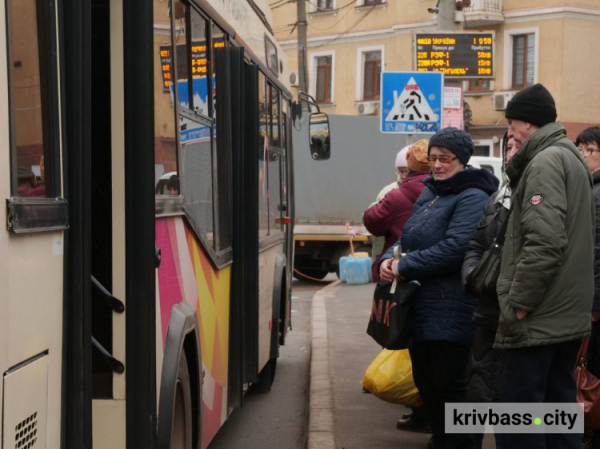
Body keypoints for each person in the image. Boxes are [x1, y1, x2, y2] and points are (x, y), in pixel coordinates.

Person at [380, 127, 499, 449]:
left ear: (462, 161)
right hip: (421, 306)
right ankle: (441, 440)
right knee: (427, 384)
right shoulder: (430, 191)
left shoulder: (473, 196)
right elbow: (408, 235)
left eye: (445, 159)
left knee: (451, 388)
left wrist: (404, 265)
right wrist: (388, 259)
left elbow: (456, 248)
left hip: (453, 306)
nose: (437, 165)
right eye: (433, 159)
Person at [495, 84, 594, 449]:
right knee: (556, 408)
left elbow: (545, 241)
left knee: (521, 413)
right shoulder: (570, 155)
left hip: (540, 312)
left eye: (512, 121)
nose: (509, 130)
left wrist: (519, 303)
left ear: (526, 121)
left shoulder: (545, 161)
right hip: (565, 311)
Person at [363, 140, 431, 433]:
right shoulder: (452, 192)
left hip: (401, 277)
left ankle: (421, 411)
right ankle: (427, 414)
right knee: (430, 353)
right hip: (435, 281)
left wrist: (391, 263)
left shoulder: (399, 194)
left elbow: (372, 221)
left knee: (404, 338)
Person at [461, 135, 520, 449]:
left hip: (519, 316)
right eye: (508, 147)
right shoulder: (499, 196)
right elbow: (474, 244)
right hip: (486, 312)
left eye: (518, 147)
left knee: (514, 402)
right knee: (478, 386)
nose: (511, 153)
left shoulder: (540, 195)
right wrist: (473, 274)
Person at [364, 140, 429, 283]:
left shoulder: (395, 195)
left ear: (411, 167)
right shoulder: (451, 191)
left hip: (397, 270)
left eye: (406, 170)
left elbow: (372, 221)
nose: (403, 175)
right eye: (400, 171)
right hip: (436, 272)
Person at [575, 126, 600, 448]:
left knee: (592, 366)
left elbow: (595, 250)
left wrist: (594, 302)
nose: (581, 156)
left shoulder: (596, 192)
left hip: (594, 300)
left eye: (588, 150)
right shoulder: (589, 187)